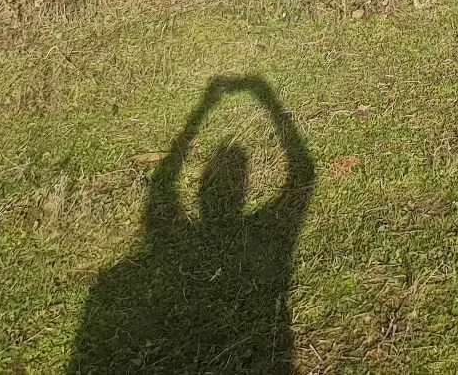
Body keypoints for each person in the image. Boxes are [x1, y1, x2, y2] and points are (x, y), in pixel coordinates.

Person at [68, 76, 314, 373]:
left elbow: (162, 187)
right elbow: (303, 174)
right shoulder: (272, 233)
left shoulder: (168, 244)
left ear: (198, 191)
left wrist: (204, 107)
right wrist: (266, 97)